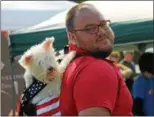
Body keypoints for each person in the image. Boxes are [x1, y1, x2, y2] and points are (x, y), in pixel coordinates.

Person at [59, 3, 133, 116]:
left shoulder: (74, 64)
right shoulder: (95, 68)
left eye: (103, 24)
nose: (102, 32)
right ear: (72, 37)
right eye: (90, 29)